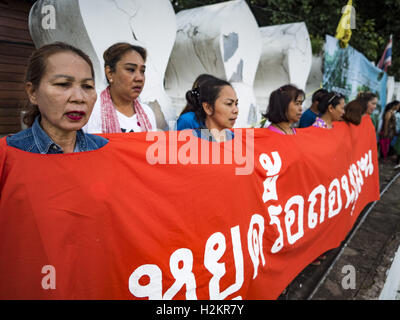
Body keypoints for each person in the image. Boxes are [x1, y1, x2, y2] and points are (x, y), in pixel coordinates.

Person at [6, 42, 108, 154]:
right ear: (33, 92)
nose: (79, 98)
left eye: (87, 86)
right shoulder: (8, 154)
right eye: (63, 84)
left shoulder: (104, 149)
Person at [85, 42, 156, 133]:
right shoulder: (92, 110)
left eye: (142, 71)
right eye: (131, 70)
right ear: (109, 73)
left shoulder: (147, 113)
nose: (139, 78)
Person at [184, 77, 238, 142]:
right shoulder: (193, 140)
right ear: (208, 108)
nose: (236, 110)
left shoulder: (233, 137)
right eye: (229, 103)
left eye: (236, 104)